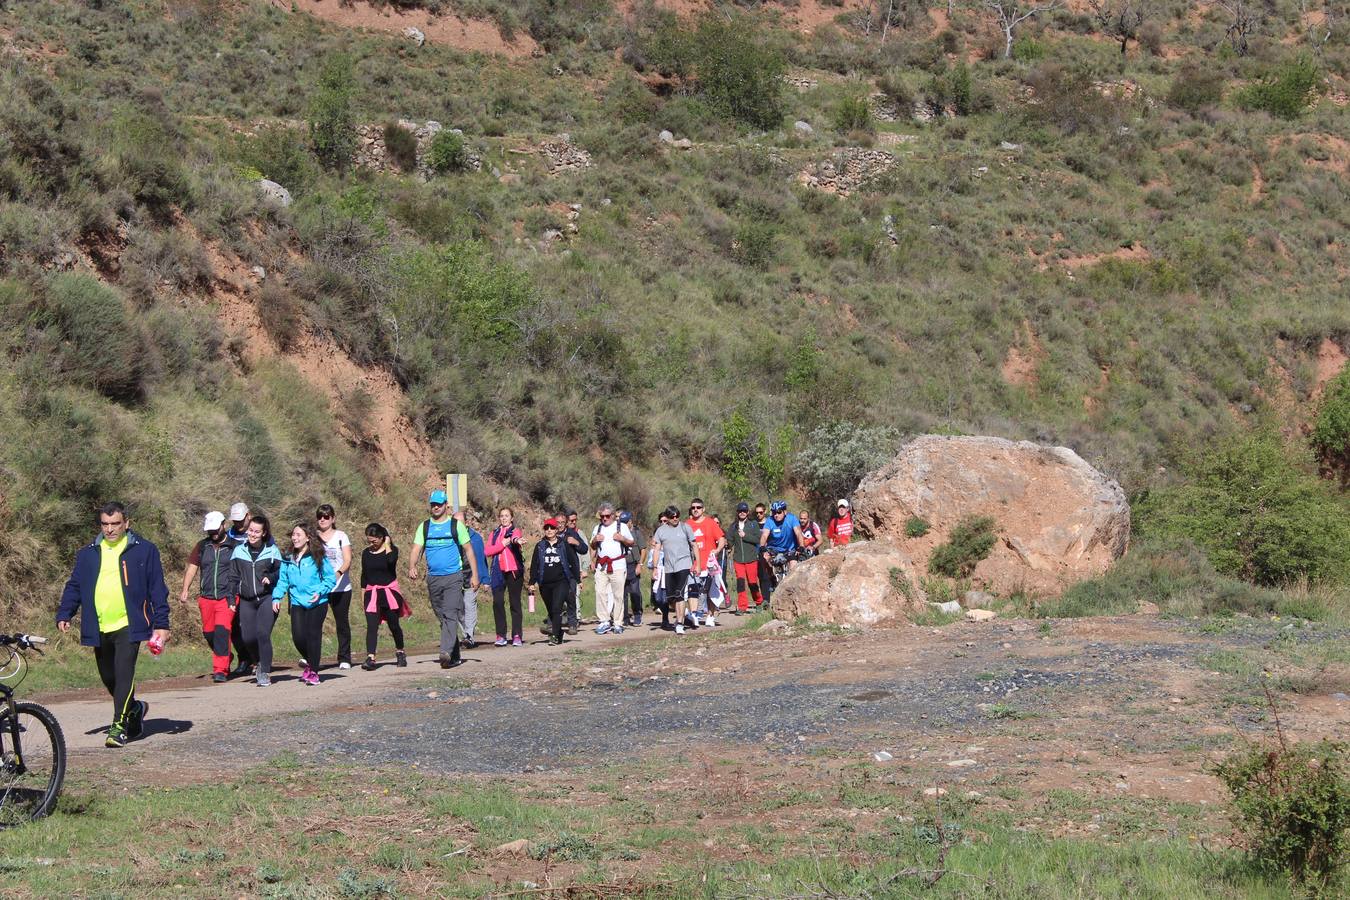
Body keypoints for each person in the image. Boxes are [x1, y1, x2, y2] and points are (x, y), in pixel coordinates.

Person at [57, 502, 170, 748]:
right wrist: (65, 612)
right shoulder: (88, 553)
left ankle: (118, 727)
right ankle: (135, 709)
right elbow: (75, 585)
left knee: (123, 674)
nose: (110, 529)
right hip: (98, 626)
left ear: (126, 524)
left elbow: (157, 589)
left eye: (115, 524)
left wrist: (162, 624)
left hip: (129, 624)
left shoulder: (144, 551)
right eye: (105, 524)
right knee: (109, 677)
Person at [407, 490, 480, 668]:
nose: (436, 507)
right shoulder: (424, 527)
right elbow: (416, 549)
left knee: (450, 613)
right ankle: (454, 655)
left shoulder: (456, 525)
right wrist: (412, 566)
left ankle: (445, 651)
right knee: (443, 617)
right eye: (433, 504)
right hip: (433, 579)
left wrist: (475, 575)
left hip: (453, 577)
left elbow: (469, 550)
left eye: (439, 504)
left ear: (446, 505)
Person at [181, 510, 239, 683]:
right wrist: (185, 589)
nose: (213, 533)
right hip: (206, 597)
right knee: (209, 633)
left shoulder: (234, 546)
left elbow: (242, 569)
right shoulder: (202, 546)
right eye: (210, 530)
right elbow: (192, 567)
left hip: (226, 596)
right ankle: (226, 655)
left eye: (215, 529)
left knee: (222, 631)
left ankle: (220, 670)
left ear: (223, 526)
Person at [274, 522, 335, 686]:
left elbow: (330, 578)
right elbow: (283, 580)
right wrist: (276, 597)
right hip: (297, 602)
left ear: (308, 537)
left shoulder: (317, 555)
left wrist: (320, 592)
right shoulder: (288, 557)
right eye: (293, 534)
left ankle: (314, 672)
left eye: (298, 535)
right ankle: (311, 662)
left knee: (313, 636)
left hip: (317, 602)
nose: (295, 538)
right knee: (298, 637)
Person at [230, 515, 282, 687]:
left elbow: (281, 574)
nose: (252, 534)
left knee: (262, 633)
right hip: (246, 600)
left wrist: (270, 577)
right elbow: (232, 577)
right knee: (248, 638)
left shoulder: (272, 550)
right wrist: (231, 598)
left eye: (257, 532)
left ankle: (265, 672)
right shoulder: (238, 551)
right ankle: (258, 661)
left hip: (267, 598)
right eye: (250, 530)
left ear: (264, 533)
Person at [360, 523, 408, 670]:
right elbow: (364, 576)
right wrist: (363, 595)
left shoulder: (392, 551)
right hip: (372, 593)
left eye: (374, 541)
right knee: (372, 626)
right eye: (369, 541)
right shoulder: (366, 553)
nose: (371, 544)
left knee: (394, 625)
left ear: (382, 538)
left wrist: (387, 543)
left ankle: (400, 651)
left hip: (389, 593)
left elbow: (391, 561)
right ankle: (371, 657)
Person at [526, 518, 576, 646]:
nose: (549, 530)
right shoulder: (540, 546)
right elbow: (534, 565)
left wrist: (578, 579)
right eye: (547, 528)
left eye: (552, 528)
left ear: (556, 530)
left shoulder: (563, 544)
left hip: (561, 581)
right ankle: (559, 632)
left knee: (556, 607)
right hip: (544, 583)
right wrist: (532, 582)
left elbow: (573, 561)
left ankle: (554, 636)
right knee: (551, 610)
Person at [316, 504, 354, 670]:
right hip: (320, 587)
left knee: (342, 623)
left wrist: (338, 574)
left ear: (333, 519)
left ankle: (344, 657)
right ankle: (311, 657)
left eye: (326, 516)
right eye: (320, 516)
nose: (323, 519)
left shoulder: (341, 536)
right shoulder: (313, 536)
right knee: (315, 623)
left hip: (341, 588)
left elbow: (347, 560)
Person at [651, 505, 698, 635]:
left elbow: (694, 545)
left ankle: (680, 623)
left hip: (684, 564)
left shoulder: (685, 527)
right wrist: (655, 568)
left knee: (679, 594)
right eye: (672, 517)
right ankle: (686, 614)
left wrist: (697, 564)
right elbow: (656, 549)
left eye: (677, 515)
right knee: (671, 598)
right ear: (667, 517)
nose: (675, 518)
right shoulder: (661, 531)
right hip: (668, 567)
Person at [589, 502, 634, 635]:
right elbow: (592, 546)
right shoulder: (597, 528)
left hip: (618, 565)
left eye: (607, 516)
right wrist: (595, 541)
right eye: (602, 516)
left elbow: (632, 542)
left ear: (613, 515)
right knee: (600, 592)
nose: (604, 519)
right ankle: (604, 621)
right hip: (601, 565)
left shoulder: (622, 527)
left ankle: (618, 623)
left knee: (618, 595)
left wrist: (622, 539)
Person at [485, 507, 526, 647]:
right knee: (497, 602)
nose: (504, 518)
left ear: (512, 518)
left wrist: (516, 541)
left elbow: (515, 539)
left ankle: (516, 635)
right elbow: (487, 551)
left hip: (513, 571)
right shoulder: (494, 533)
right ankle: (501, 635)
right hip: (497, 572)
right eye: (502, 516)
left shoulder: (515, 531)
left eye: (507, 516)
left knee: (514, 603)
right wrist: (502, 544)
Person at [684, 498, 725, 628]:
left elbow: (722, 539)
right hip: (693, 565)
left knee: (711, 592)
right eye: (693, 507)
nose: (695, 509)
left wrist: (717, 550)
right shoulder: (686, 524)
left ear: (703, 509)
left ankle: (710, 616)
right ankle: (694, 614)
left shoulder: (711, 523)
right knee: (692, 591)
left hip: (709, 564)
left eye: (698, 507)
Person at [225, 501, 254, 678]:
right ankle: (244, 659)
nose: (238, 524)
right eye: (235, 521)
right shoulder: (229, 535)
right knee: (234, 625)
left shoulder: (258, 532)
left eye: (241, 520)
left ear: (248, 516)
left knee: (252, 625)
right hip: (234, 585)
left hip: (254, 586)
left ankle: (257, 658)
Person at [455, 509, 488, 648]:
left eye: (459, 523)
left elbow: (481, 559)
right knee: (458, 609)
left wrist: (484, 579)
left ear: (467, 523)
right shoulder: (450, 537)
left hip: (471, 577)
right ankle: (465, 634)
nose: (456, 526)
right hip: (454, 577)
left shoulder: (475, 539)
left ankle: (469, 636)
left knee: (469, 606)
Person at [730, 501, 763, 613]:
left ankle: (759, 602)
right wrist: (726, 544)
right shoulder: (733, 526)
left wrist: (745, 536)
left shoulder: (753, 524)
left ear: (748, 512)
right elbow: (730, 541)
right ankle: (742, 607)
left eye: (744, 511)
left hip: (751, 559)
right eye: (740, 511)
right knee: (740, 583)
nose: (742, 513)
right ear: (737, 512)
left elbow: (758, 539)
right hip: (738, 559)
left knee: (752, 582)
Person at [560, 508, 589, 635]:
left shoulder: (573, 533)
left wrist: (576, 542)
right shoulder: (551, 534)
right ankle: (553, 623)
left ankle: (572, 623)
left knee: (571, 597)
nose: (559, 524)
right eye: (558, 522)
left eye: (562, 522)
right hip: (557, 572)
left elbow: (584, 549)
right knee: (556, 599)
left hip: (572, 571)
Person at [760, 500, 807, 575]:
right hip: (774, 549)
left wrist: (801, 546)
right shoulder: (770, 520)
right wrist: (762, 546)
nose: (776, 515)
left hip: (789, 549)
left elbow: (798, 533)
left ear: (785, 512)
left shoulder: (792, 518)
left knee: (793, 569)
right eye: (774, 512)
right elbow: (764, 535)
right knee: (766, 559)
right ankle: (772, 580)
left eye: (779, 512)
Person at [619, 510, 645, 628]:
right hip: (621, 565)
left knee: (635, 591)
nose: (623, 524)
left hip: (633, 564)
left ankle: (637, 613)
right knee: (622, 593)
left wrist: (640, 564)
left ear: (630, 521)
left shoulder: (636, 532)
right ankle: (624, 617)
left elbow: (643, 549)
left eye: (625, 522)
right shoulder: (618, 532)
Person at [754, 502, 775, 605]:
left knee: (768, 575)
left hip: (769, 552)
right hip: (757, 553)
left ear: (765, 511)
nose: (758, 515)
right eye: (757, 513)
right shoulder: (753, 524)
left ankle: (768, 598)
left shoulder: (770, 522)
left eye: (761, 512)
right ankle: (765, 600)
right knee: (761, 576)